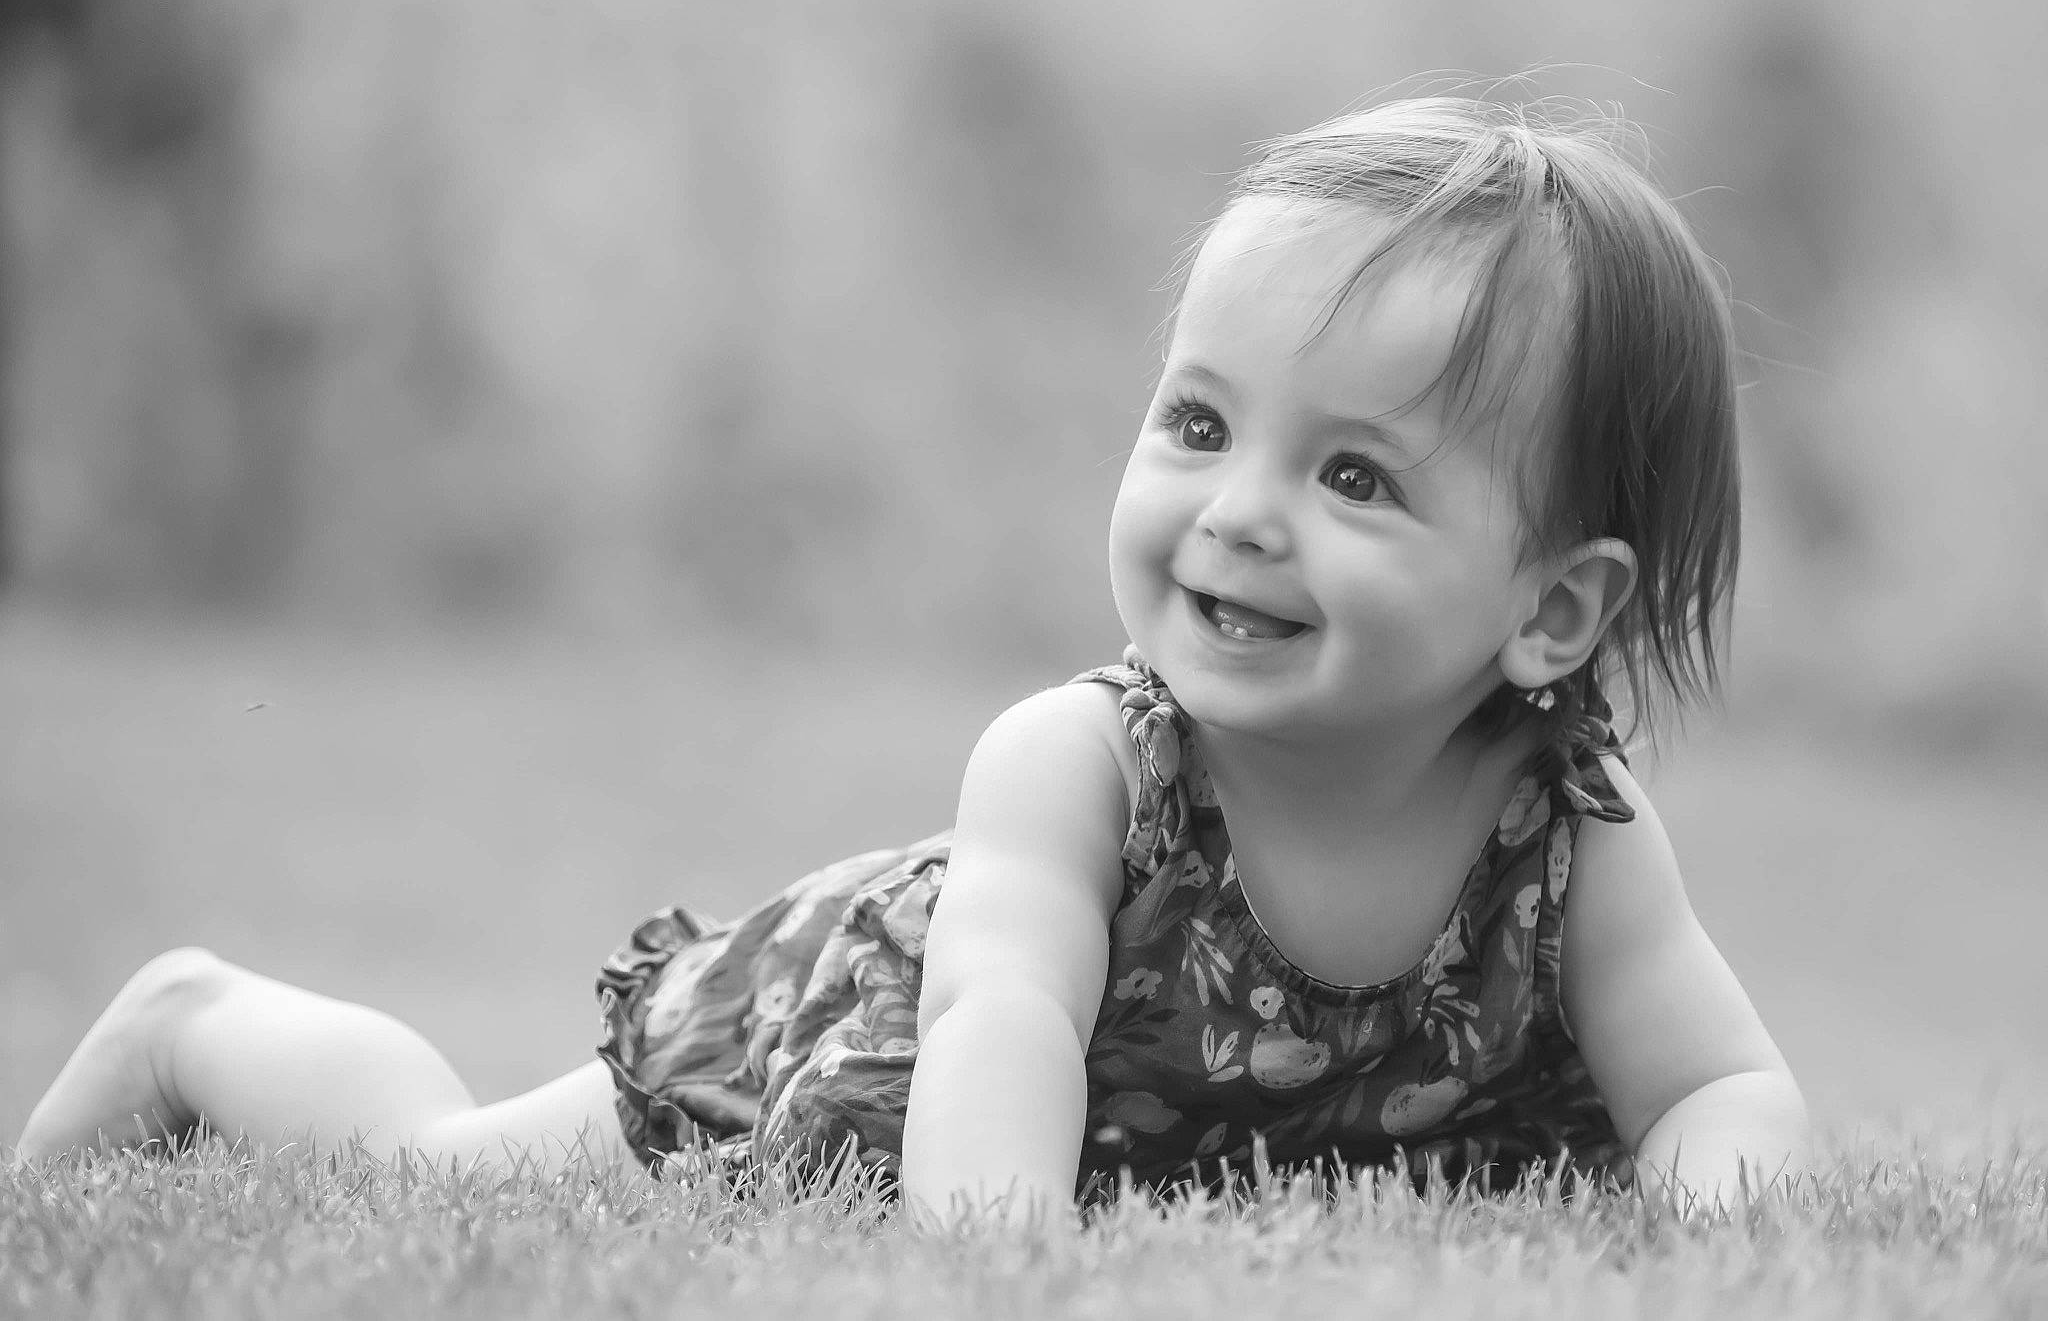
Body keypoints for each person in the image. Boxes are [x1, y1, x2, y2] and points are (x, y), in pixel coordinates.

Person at [12, 96, 1807, 1222]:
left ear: (1551, 612)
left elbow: (1719, 1085)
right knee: (437, 1168)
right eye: (1198, 424)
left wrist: (1713, 1234)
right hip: (839, 1041)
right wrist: (997, 1258)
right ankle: (199, 1022)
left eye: (1353, 477)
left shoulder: (1568, 831)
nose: (1238, 514)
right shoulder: (1081, 763)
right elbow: (996, 1015)